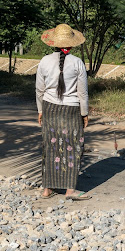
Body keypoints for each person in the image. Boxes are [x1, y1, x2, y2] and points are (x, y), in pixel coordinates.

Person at [36, 24, 90, 200]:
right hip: (71, 110)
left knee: (50, 146)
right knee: (73, 147)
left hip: (50, 108)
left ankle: (47, 189)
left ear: (53, 43)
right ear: (72, 44)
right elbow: (82, 92)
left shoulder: (44, 61)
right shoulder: (77, 62)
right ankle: (70, 190)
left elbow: (39, 90)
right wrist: (85, 112)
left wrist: (40, 110)